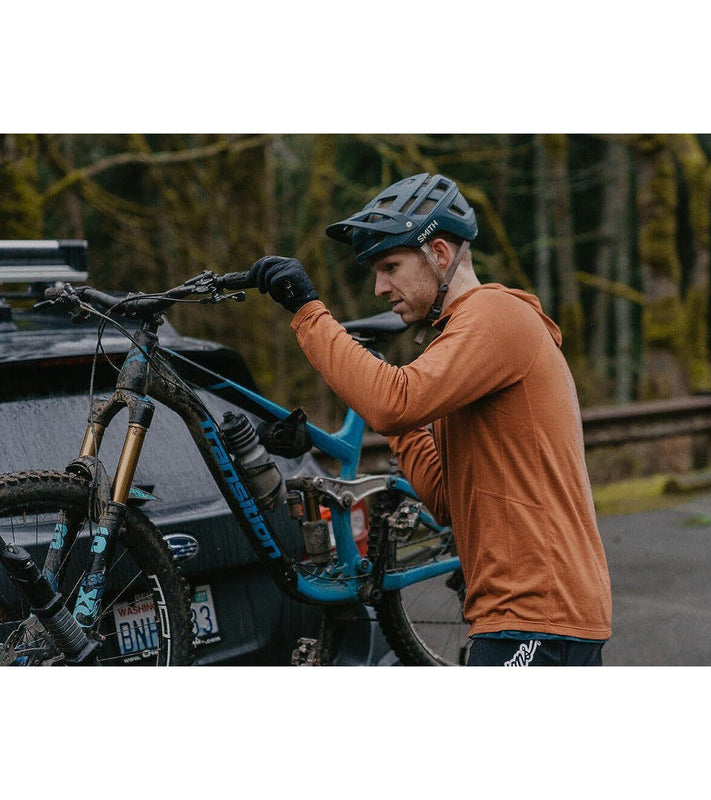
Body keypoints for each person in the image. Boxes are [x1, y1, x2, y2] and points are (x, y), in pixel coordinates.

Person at [247, 172, 612, 666]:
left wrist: (308, 313)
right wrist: (392, 415)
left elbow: (394, 403)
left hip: (536, 612)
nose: (379, 287)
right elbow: (444, 498)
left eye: (390, 266)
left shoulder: (493, 316)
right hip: (523, 614)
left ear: (439, 253)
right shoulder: (467, 341)